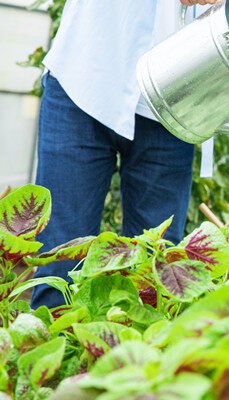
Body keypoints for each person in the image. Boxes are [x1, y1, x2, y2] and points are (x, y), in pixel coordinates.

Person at [31, 0, 218, 309]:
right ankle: (55, 355)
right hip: (85, 75)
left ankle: (141, 359)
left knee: (155, 282)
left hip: (172, 98)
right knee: (59, 267)